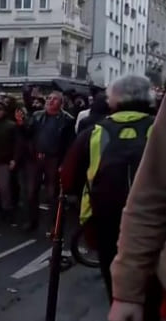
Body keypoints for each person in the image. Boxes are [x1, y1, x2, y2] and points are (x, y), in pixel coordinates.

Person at [61, 75, 160, 320]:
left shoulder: (93, 132)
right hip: (157, 227)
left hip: (103, 221)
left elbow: (68, 179)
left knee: (117, 287)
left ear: (112, 100)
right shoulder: (159, 129)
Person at [107, 84, 166, 321]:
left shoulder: (99, 129)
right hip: (135, 230)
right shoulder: (154, 126)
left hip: (109, 217)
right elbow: (152, 191)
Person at [16, 90, 75, 231]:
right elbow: (28, 134)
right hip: (36, 157)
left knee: (52, 193)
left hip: (54, 159)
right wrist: (21, 124)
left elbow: (70, 144)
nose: (50, 101)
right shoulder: (37, 116)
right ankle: (32, 221)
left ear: (61, 103)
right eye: (48, 98)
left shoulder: (67, 120)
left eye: (54, 99)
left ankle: (55, 224)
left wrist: (64, 163)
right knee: (31, 191)